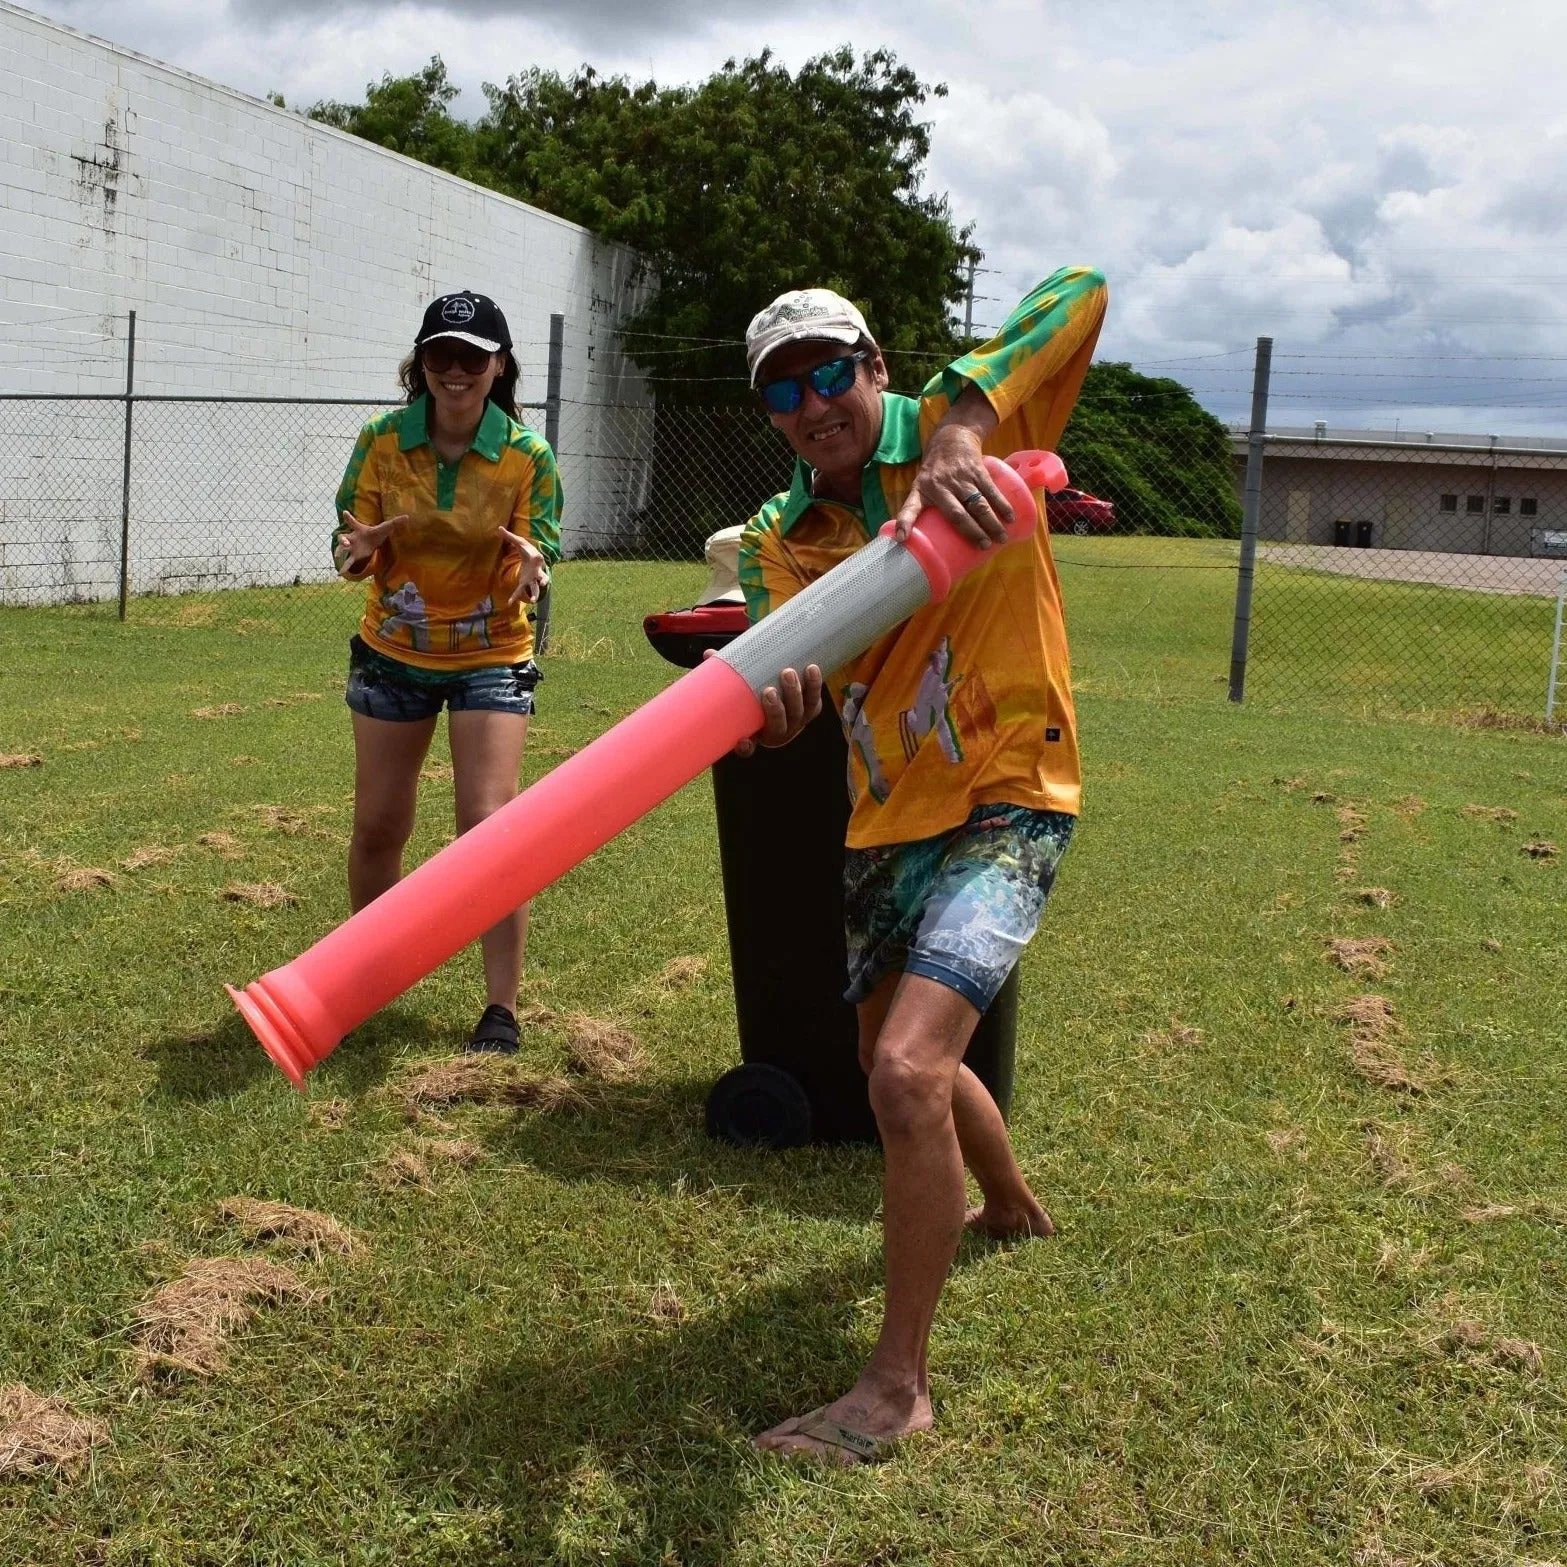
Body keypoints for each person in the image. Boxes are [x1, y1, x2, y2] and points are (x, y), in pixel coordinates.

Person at [735, 268, 1108, 1463]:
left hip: (1011, 790)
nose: (809, 402)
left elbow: (1082, 291)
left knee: (902, 1071)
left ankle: (896, 1388)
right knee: (889, 1060)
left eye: (827, 369)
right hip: (886, 817)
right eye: (781, 389)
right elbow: (793, 677)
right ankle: (1002, 1201)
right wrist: (778, 714)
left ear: (876, 366)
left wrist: (958, 425)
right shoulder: (777, 537)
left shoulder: (989, 428)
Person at [332, 290, 559, 1055]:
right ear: (420, 364)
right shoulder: (381, 440)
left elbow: (539, 551)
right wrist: (355, 554)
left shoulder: (527, 456)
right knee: (378, 825)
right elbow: (348, 543)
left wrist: (530, 571)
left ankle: (500, 1008)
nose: (454, 371)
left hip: (491, 652)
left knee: (489, 828)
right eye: (440, 355)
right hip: (392, 652)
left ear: (499, 366)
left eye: (471, 356)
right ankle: (370, 976)